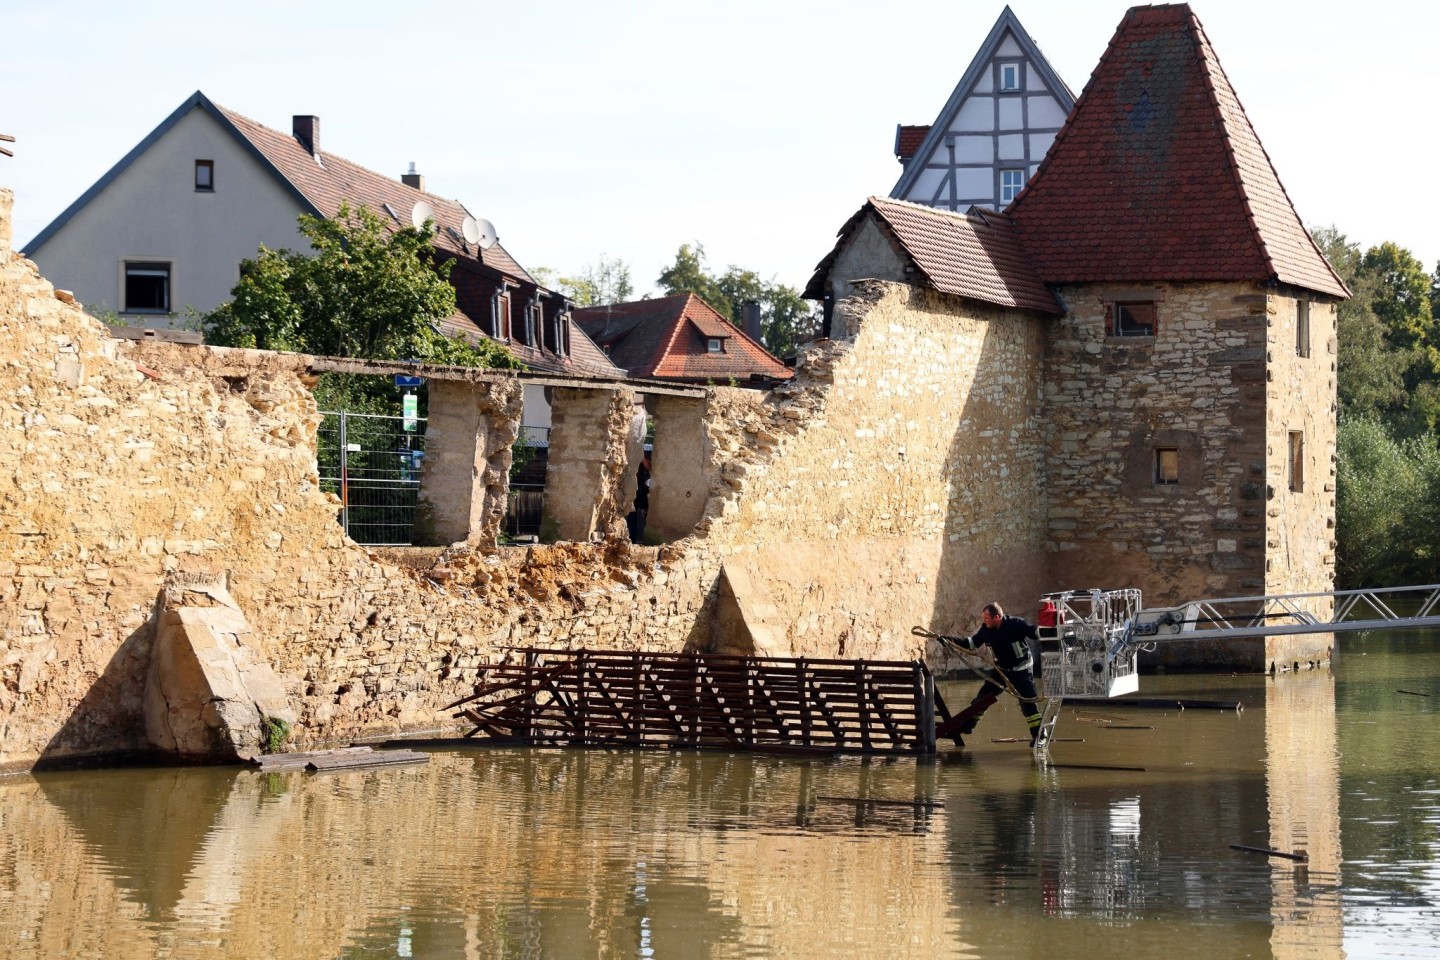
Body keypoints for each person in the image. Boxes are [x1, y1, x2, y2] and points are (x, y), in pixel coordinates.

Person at [943, 602, 1044, 745]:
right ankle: (966, 726)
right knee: (983, 699)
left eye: (987, 618)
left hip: (1021, 670)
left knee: (1028, 703)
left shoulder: (1015, 624)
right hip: (1001, 671)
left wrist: (1045, 631)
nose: (984, 621)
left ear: (997, 617)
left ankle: (1039, 735)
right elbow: (971, 643)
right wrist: (947, 640)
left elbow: (1032, 632)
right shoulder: (986, 630)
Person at [627, 449, 652, 543]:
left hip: (638, 488)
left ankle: (635, 539)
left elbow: (649, 467)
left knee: (635, 514)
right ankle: (630, 538)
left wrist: (641, 456)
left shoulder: (642, 455)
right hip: (628, 487)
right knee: (630, 516)